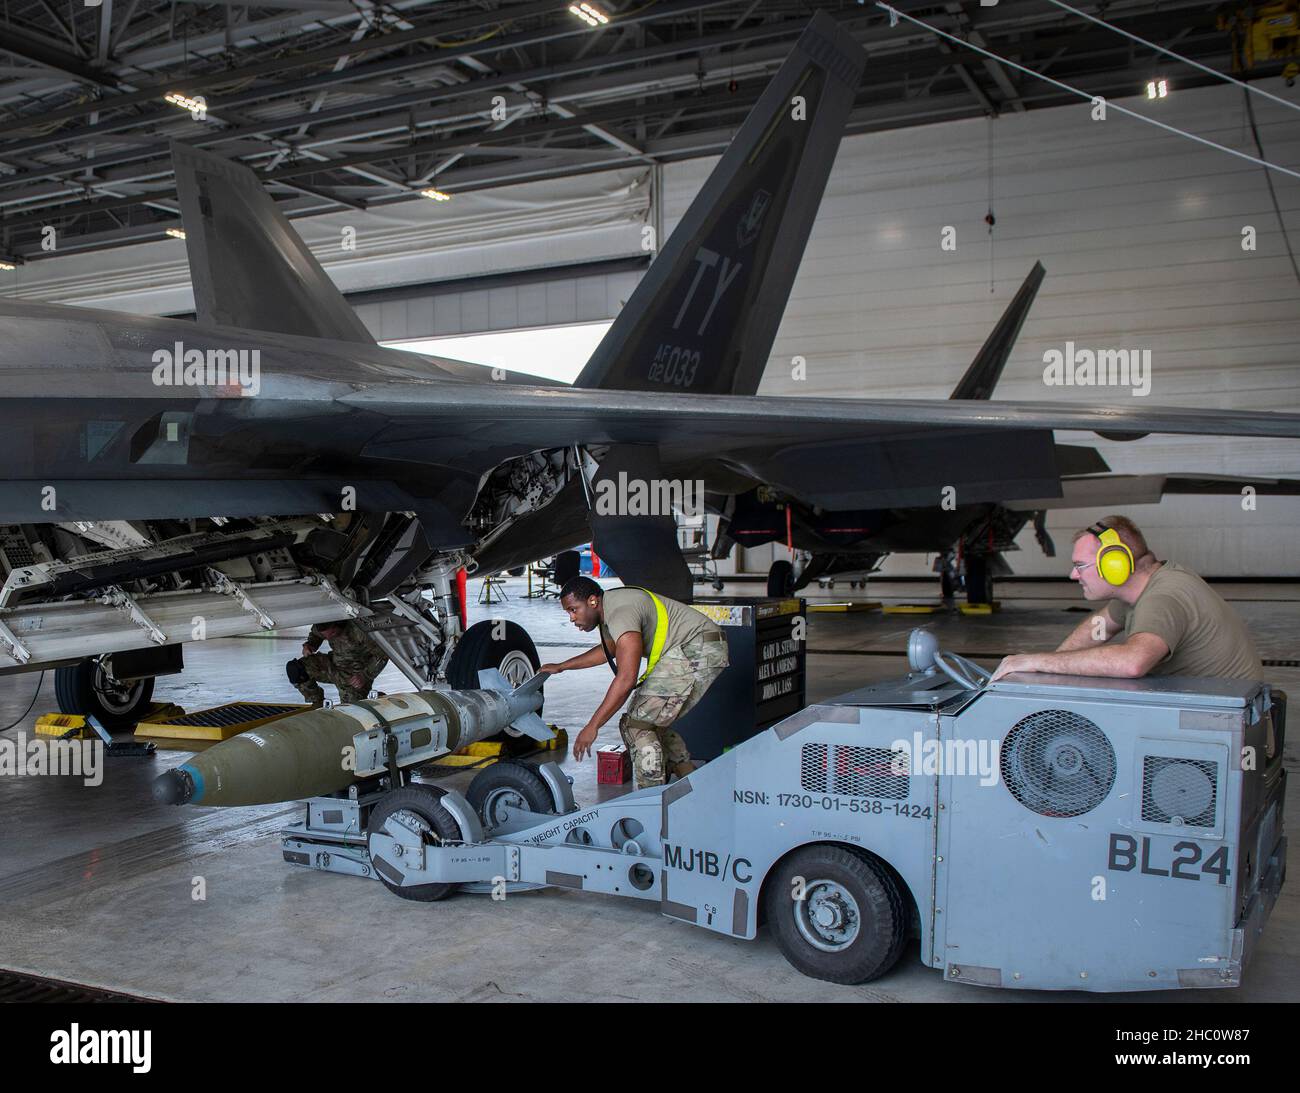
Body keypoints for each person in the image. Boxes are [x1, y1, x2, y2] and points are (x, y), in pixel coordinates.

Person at [990, 515, 1263, 682]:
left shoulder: (1163, 597)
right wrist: (1048, 668)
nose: (1074, 575)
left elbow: (1132, 662)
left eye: (1081, 565)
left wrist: (1035, 661)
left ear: (1115, 565)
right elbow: (1099, 626)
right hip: (1211, 715)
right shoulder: (1139, 587)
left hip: (1222, 735)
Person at [540, 577, 730, 787]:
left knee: (637, 725)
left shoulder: (620, 613)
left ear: (593, 601)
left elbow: (626, 678)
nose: (571, 618)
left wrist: (592, 726)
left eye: (573, 610)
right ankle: (684, 771)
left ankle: (652, 795)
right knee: (647, 719)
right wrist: (562, 666)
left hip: (697, 648)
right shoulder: (610, 608)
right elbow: (609, 650)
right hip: (698, 647)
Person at [286, 620, 389, 706]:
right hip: (332, 663)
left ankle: (377, 701)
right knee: (296, 669)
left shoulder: (359, 632)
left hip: (354, 674)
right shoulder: (323, 624)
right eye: (326, 636)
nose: (330, 638)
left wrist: (365, 675)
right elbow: (316, 635)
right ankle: (317, 703)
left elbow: (383, 655)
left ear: (338, 625)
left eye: (333, 634)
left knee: (351, 710)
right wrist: (310, 645)